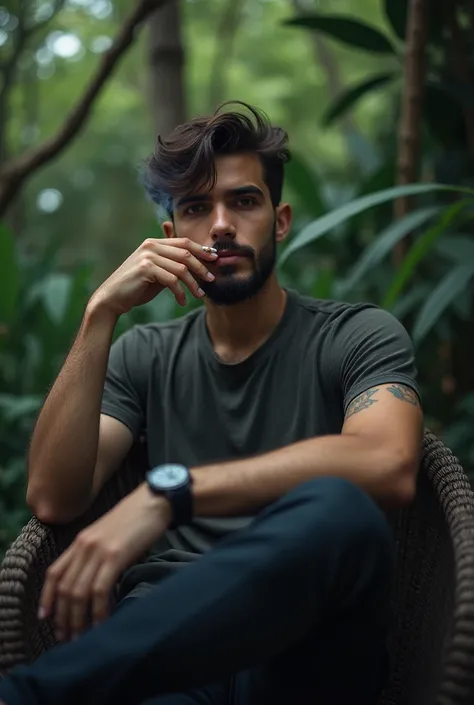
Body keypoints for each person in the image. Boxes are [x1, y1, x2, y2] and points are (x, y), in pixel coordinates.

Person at [0, 102, 423, 705]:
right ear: (170, 237)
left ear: (279, 221)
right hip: (168, 646)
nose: (220, 225)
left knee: (339, 508)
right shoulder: (143, 355)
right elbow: (53, 495)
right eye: (196, 208)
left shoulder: (357, 335)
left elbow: (387, 462)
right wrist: (100, 316)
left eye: (243, 202)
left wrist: (172, 492)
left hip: (301, 640)